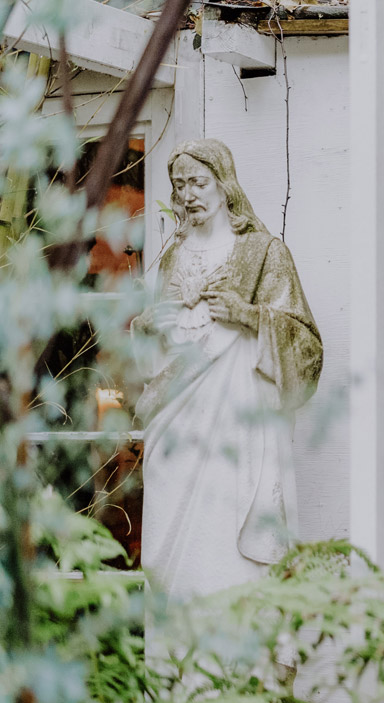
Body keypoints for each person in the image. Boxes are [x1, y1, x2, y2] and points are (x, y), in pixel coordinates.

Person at [132, 139, 323, 598]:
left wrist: (250, 315)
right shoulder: (173, 255)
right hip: (176, 424)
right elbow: (160, 344)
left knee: (228, 551)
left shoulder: (263, 253)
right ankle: (176, 662)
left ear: (224, 185)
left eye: (198, 182)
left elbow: (308, 348)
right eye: (179, 186)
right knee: (171, 552)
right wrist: (148, 326)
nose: (189, 195)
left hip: (238, 430)